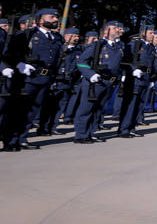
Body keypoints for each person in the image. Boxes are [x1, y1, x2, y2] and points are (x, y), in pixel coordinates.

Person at [2, 8, 64, 149]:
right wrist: (20, 63)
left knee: (32, 111)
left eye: (56, 17)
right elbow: (8, 54)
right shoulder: (26, 35)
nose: (55, 19)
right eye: (51, 17)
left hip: (45, 78)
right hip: (27, 79)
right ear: (40, 20)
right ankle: (10, 140)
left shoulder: (56, 38)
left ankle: (22, 138)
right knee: (17, 110)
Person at [75, 20, 127, 143]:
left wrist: (122, 76)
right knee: (87, 109)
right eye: (114, 28)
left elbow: (120, 65)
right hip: (95, 82)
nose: (118, 30)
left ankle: (91, 132)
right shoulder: (97, 45)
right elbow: (82, 62)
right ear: (106, 31)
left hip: (109, 82)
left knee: (98, 109)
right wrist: (90, 74)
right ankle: (81, 135)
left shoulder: (119, 47)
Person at [128, 27, 157, 127]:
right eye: (151, 33)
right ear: (143, 34)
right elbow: (128, 59)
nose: (153, 35)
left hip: (147, 77)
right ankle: (127, 126)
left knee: (142, 102)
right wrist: (133, 69)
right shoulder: (135, 44)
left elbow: (153, 65)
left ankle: (136, 122)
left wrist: (152, 78)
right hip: (137, 76)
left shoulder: (151, 47)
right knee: (133, 102)